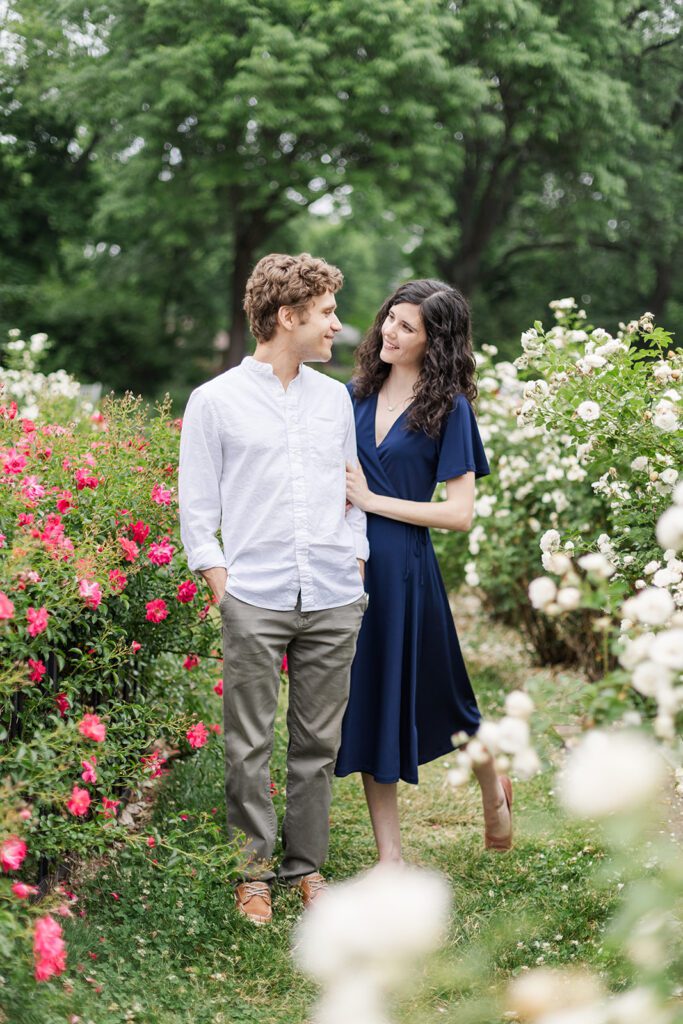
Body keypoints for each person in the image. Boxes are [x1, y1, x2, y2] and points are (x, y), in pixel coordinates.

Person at [178, 253, 369, 925]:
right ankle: (252, 873)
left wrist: (357, 561)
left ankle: (305, 867)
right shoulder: (214, 402)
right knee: (247, 743)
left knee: (317, 746)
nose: (336, 327)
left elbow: (352, 492)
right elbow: (197, 509)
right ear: (286, 318)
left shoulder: (334, 399)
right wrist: (221, 586)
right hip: (252, 597)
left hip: (331, 595)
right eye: (324, 314)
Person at [336, 279, 513, 863]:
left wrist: (373, 501)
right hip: (352, 566)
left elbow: (459, 513)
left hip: (409, 569)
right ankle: (390, 857)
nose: (389, 330)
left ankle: (494, 786)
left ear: (435, 341)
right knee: (371, 702)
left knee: (450, 702)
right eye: (390, 317)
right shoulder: (353, 394)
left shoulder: (450, 409)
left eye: (407, 326)